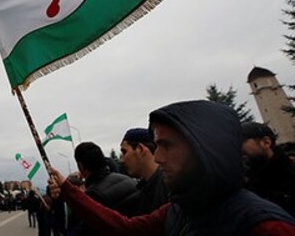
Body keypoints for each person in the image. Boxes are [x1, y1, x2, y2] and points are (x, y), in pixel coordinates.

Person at [48, 100, 295, 235]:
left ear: (203, 150)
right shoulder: (177, 210)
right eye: (157, 145)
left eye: (167, 145)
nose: (158, 157)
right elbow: (124, 228)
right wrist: (69, 191)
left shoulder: (265, 226)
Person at [241, 121, 295, 217]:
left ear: (266, 142)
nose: (239, 148)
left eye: (242, 141)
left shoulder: (290, 175)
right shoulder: (246, 183)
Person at [119, 128, 169, 215]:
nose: (122, 160)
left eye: (124, 152)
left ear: (140, 149)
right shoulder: (147, 190)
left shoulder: (167, 188)